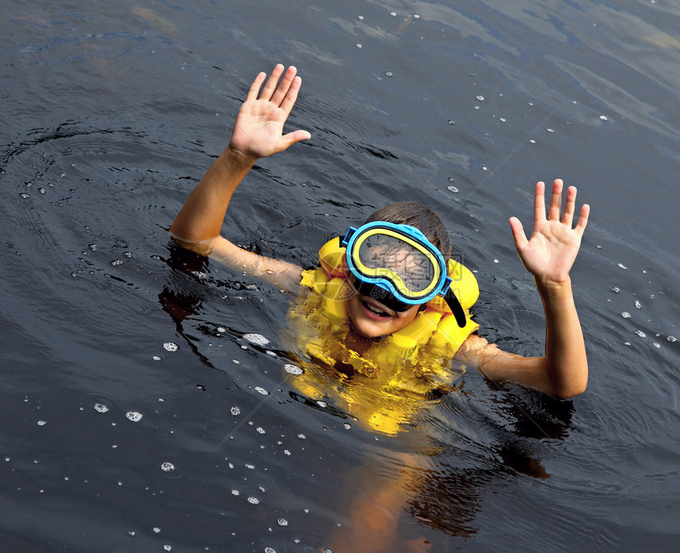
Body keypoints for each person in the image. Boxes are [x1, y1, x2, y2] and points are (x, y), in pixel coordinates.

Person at [169, 63, 590, 552]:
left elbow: (565, 383)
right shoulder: (310, 288)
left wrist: (554, 286)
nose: (385, 289)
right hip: (309, 420)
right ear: (348, 264)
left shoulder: (450, 343)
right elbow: (195, 240)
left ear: (434, 295)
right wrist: (238, 157)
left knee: (368, 514)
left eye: (413, 276)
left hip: (397, 448)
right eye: (375, 261)